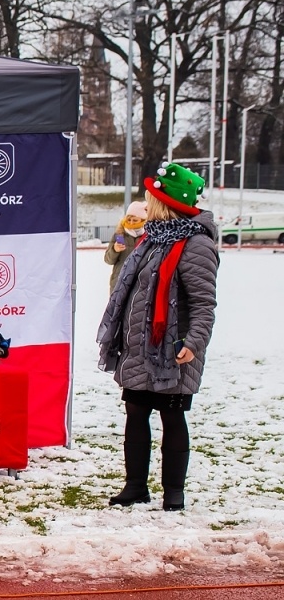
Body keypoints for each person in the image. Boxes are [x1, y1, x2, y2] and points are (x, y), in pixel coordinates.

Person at [97, 163, 219, 512]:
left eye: (150, 199)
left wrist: (193, 343)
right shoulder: (151, 238)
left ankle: (173, 494)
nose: (145, 205)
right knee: (135, 411)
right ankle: (135, 486)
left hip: (173, 349)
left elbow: (203, 303)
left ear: (165, 203)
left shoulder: (196, 245)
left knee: (172, 416)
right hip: (140, 346)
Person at [104, 199, 147, 293]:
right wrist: (114, 250)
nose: (131, 223)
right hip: (119, 283)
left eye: (135, 220)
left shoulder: (148, 236)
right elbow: (108, 260)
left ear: (144, 220)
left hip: (139, 284)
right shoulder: (119, 234)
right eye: (129, 219)